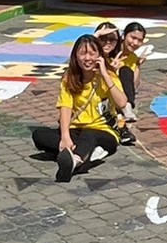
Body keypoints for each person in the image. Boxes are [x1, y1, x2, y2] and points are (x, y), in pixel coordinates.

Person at [31, 34, 129, 183]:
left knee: (89, 135)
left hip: (104, 131)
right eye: (83, 53)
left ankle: (75, 161)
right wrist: (65, 137)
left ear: (99, 55)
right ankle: (85, 153)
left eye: (92, 53)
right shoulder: (69, 77)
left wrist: (105, 74)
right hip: (76, 130)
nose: (87, 58)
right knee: (39, 135)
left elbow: (122, 103)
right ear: (75, 56)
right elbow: (65, 107)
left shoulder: (108, 75)